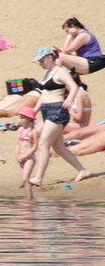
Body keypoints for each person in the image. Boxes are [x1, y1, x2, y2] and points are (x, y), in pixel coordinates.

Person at [30, 46, 90, 186]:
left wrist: (69, 99)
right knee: (58, 148)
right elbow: (43, 94)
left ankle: (38, 178)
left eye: (42, 60)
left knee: (43, 144)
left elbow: (73, 86)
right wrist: (34, 110)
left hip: (57, 110)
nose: (40, 63)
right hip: (46, 111)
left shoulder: (60, 71)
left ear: (50, 57)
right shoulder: (46, 73)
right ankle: (82, 170)